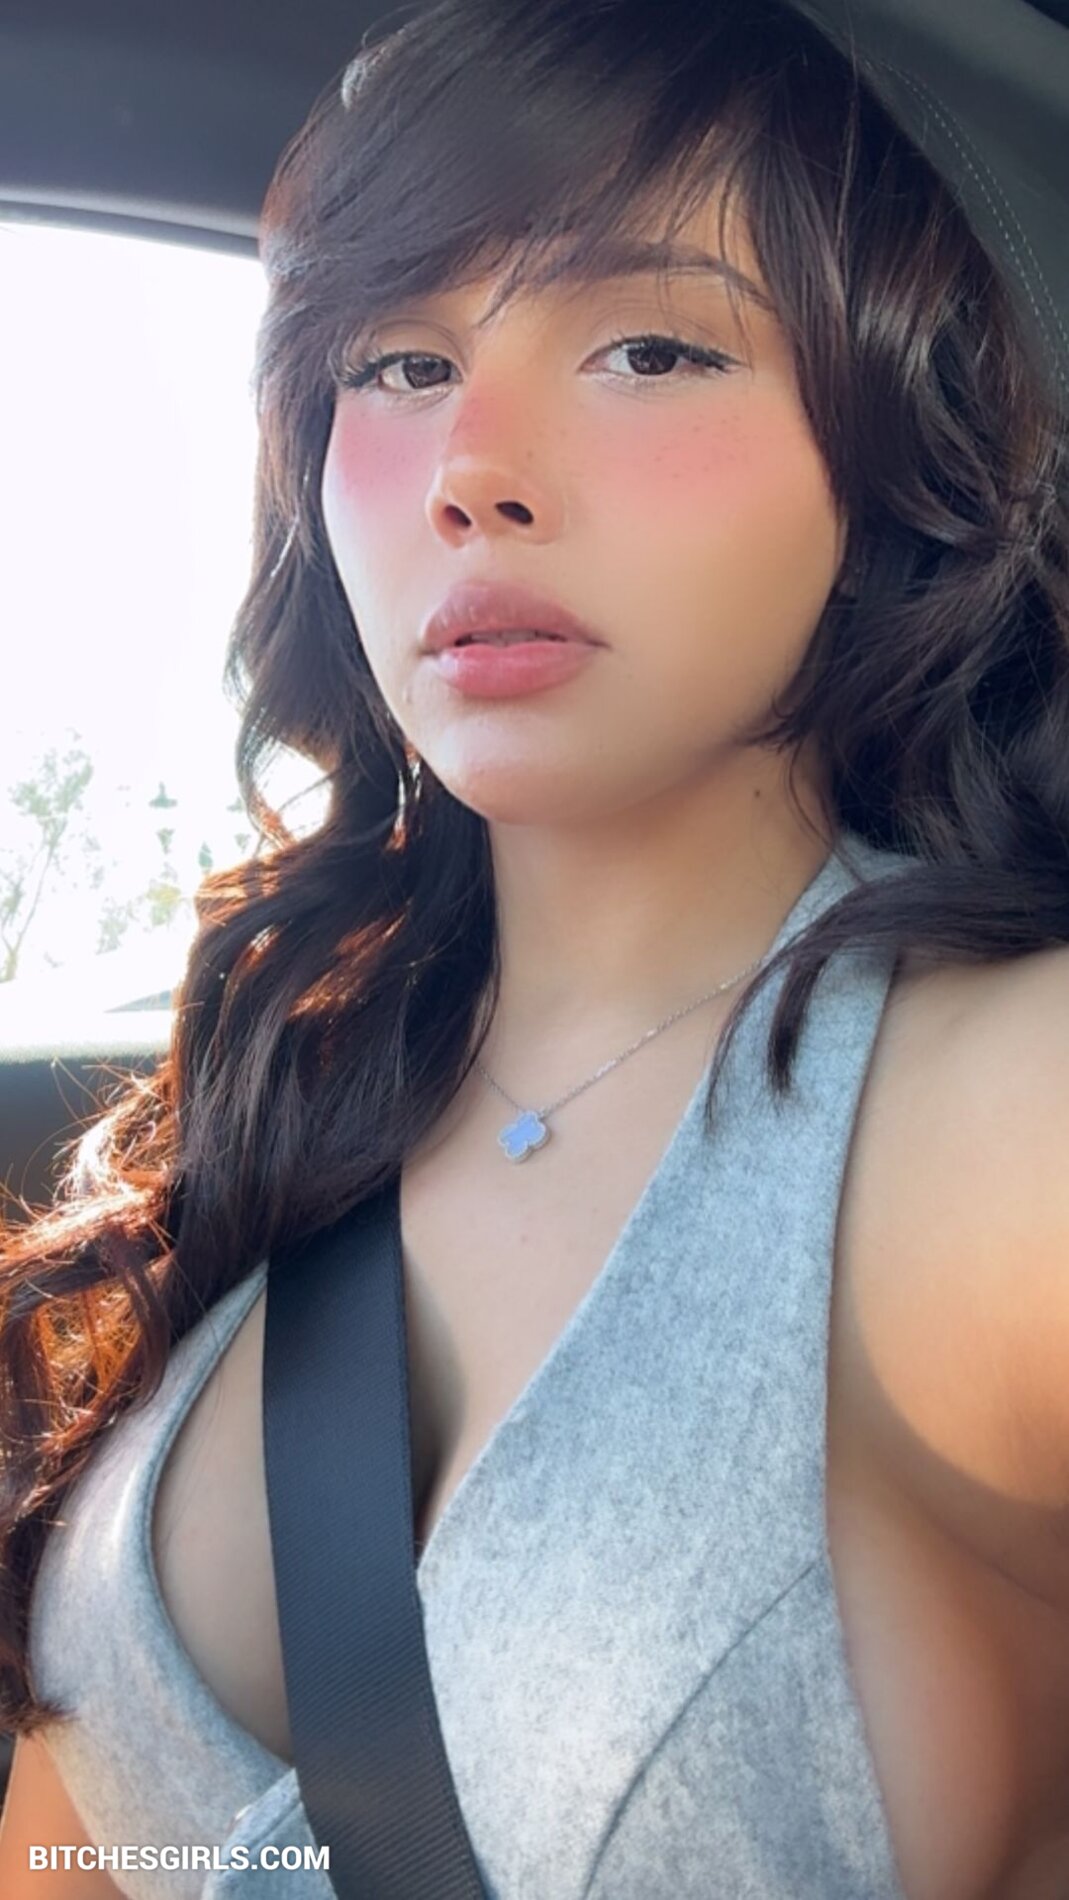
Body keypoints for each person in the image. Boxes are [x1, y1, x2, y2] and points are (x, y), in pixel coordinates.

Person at [2, 0, 1068, 1894]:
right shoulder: (300, 1092)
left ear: (881, 443)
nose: (469, 469)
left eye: (650, 348)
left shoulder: (1005, 1120)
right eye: (401, 364)